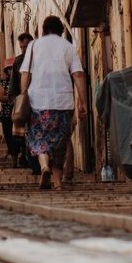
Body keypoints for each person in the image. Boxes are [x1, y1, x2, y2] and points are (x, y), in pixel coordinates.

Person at [21, 16, 87, 191]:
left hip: (38, 101)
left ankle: (44, 167)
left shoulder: (34, 46)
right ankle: (58, 183)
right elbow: (78, 74)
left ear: (43, 30)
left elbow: (25, 73)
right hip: (63, 102)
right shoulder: (68, 46)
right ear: (61, 30)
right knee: (59, 144)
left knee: (39, 137)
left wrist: (23, 94)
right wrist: (83, 101)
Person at [7, 32, 34, 172]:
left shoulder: (39, 58)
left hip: (39, 100)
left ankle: (34, 160)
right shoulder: (18, 61)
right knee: (22, 133)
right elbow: (13, 83)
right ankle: (26, 157)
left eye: (26, 47)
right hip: (23, 102)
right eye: (22, 47)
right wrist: (15, 101)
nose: (24, 50)